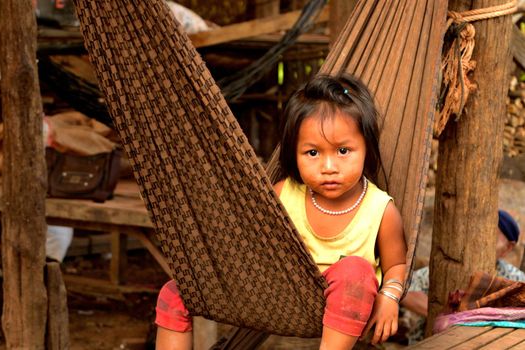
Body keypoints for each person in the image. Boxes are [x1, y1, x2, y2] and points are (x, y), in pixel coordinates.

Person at [154, 74, 407, 350]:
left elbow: (396, 265)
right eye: (312, 153)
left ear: (367, 150)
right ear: (293, 154)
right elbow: (256, 251)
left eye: (343, 150)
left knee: (355, 270)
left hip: (347, 302)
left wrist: (390, 297)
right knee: (177, 291)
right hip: (284, 296)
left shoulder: (381, 210)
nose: (328, 166)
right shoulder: (284, 194)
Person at [399, 209, 524, 344]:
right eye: (480, 235)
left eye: (492, 237)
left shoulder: (514, 278)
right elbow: (405, 290)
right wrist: (448, 316)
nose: (482, 242)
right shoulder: (453, 266)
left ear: (508, 248)